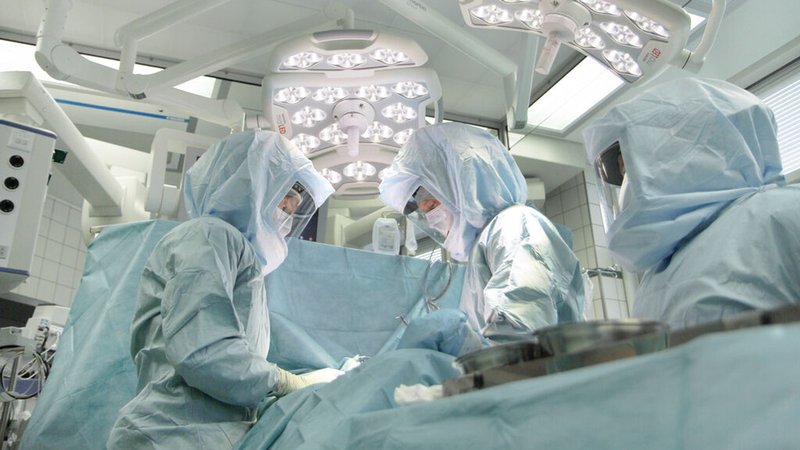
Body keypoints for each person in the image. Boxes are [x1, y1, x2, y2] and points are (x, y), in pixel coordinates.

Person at [106, 130, 343, 449]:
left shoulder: (236, 254)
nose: (291, 208)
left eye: (296, 202)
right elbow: (204, 353)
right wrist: (284, 382)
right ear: (251, 184)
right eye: (286, 193)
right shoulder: (210, 237)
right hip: (170, 436)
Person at [584, 77, 800, 328]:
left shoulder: (782, 215)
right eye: (623, 175)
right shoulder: (657, 272)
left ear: (679, 149)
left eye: (630, 168)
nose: (628, 186)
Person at [380, 122, 585, 342]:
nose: (431, 221)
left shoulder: (515, 226)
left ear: (460, 184)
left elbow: (519, 333)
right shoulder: (487, 243)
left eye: (431, 206)